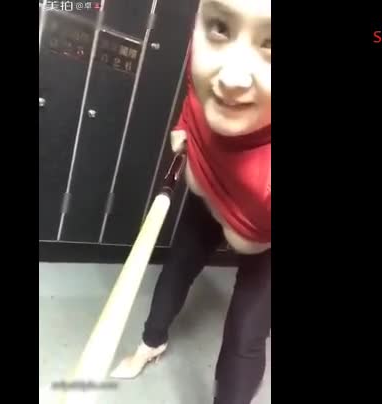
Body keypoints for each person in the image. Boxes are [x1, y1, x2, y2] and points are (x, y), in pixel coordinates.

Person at [110, 1, 271, 403]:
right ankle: (151, 343)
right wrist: (185, 123)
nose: (230, 78)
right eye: (221, 28)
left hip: (266, 231)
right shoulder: (207, 65)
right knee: (178, 266)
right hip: (212, 183)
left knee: (247, 330)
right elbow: (196, 89)